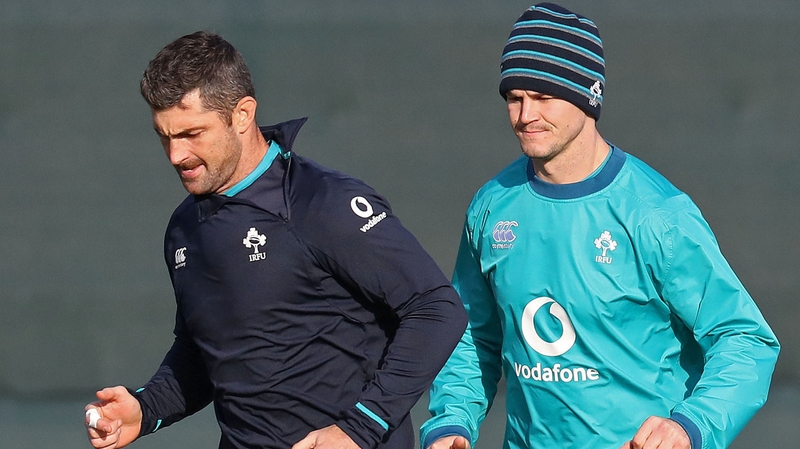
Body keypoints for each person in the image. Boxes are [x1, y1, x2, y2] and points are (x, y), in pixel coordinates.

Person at [83, 31, 468, 449]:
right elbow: (205, 353)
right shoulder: (184, 228)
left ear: (242, 114)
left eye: (192, 133)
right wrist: (147, 408)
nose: (176, 155)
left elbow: (436, 308)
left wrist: (359, 428)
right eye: (165, 136)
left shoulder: (324, 203)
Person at [419, 3, 780, 449]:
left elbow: (745, 339)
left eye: (544, 96)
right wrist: (452, 421)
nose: (525, 115)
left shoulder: (657, 215)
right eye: (514, 97)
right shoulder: (492, 206)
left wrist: (690, 426)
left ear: (587, 96)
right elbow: (473, 333)